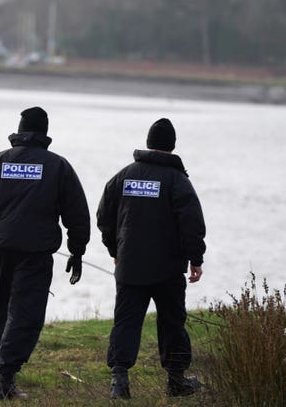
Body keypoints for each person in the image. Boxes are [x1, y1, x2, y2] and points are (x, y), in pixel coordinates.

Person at [0, 106, 91, 400]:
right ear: (44, 133)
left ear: (19, 130)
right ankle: (5, 376)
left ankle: (5, 373)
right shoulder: (57, 166)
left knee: (2, 307)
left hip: (1, 247)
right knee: (25, 312)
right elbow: (77, 213)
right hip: (35, 250)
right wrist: (76, 250)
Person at [96, 118, 206, 398]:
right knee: (171, 322)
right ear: (172, 146)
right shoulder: (177, 180)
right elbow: (191, 222)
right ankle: (176, 380)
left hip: (130, 265)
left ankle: (119, 382)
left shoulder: (123, 176)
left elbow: (104, 217)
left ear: (148, 143)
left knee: (126, 322)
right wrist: (196, 258)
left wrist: (114, 250)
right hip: (167, 268)